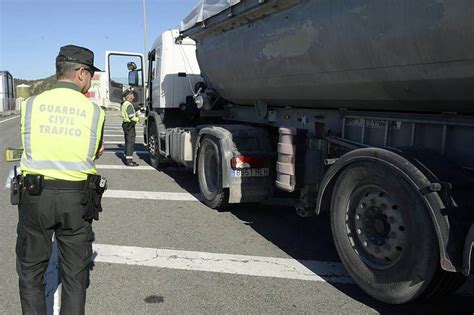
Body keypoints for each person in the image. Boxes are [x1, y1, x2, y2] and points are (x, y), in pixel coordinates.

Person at [16, 44, 106, 314]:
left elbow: (30, 143)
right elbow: (95, 152)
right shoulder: (94, 111)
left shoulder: (30, 105)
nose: (90, 79)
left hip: (34, 197)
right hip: (77, 199)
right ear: (80, 73)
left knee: (31, 272)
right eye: (90, 73)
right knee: (75, 276)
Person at [120, 89, 140, 166]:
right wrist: (140, 119)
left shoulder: (124, 103)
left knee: (127, 142)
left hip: (125, 124)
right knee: (130, 143)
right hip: (130, 125)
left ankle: (126, 158)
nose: (133, 96)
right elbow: (131, 117)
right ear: (128, 96)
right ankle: (129, 161)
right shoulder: (129, 105)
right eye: (132, 94)